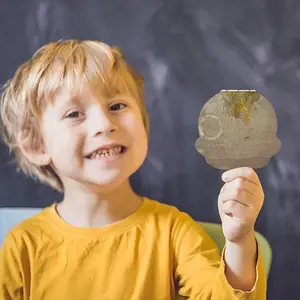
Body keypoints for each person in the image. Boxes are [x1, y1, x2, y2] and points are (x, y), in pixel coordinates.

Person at [0, 39, 266, 300]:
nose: (104, 124)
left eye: (117, 106)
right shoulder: (22, 246)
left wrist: (240, 240)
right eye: (74, 114)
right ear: (36, 145)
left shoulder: (174, 232)